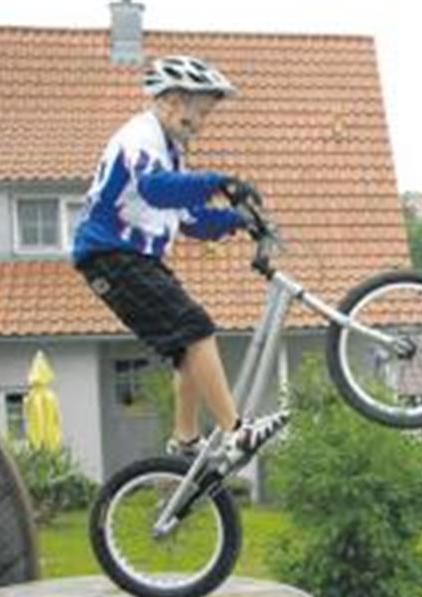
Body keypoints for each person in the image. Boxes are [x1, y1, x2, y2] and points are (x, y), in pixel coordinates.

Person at [71, 54, 287, 462]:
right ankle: (236, 431)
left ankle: (185, 442)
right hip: (109, 255)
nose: (199, 125)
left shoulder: (170, 150)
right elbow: (157, 190)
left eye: (205, 117)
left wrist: (238, 220)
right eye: (194, 116)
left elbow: (190, 220)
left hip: (134, 259)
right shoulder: (140, 135)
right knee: (196, 329)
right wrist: (218, 181)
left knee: (188, 347)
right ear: (170, 100)